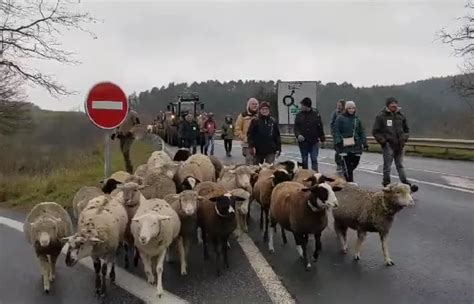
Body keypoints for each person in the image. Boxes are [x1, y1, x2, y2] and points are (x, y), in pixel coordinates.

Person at [372, 97, 414, 188]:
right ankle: (386, 183)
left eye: (395, 103)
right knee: (387, 167)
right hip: (388, 145)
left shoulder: (401, 116)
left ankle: (405, 183)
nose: (394, 105)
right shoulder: (381, 116)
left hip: (400, 145)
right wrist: (383, 141)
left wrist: (404, 138)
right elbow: (375, 131)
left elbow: (406, 130)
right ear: (388, 105)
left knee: (400, 165)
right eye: (392, 103)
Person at [333, 101, 368, 183]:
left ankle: (346, 173)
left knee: (355, 162)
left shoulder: (357, 119)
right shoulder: (340, 118)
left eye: (353, 108)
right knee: (347, 163)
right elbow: (336, 131)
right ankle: (350, 182)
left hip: (356, 145)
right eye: (349, 108)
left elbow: (361, 132)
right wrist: (338, 141)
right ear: (346, 109)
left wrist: (364, 143)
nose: (351, 110)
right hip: (345, 144)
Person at [293, 97, 325, 172]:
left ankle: (315, 174)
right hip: (303, 142)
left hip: (314, 141)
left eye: (302, 105)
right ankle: (305, 175)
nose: (301, 107)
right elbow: (296, 128)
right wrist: (298, 135)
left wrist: (322, 138)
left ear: (307, 106)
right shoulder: (299, 115)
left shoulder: (315, 114)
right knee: (304, 159)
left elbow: (319, 126)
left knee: (314, 158)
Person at [111, 109, 140, 174]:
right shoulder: (120, 113)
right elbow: (117, 125)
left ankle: (129, 169)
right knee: (124, 153)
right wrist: (114, 133)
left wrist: (131, 131)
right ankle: (128, 168)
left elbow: (137, 124)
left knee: (125, 151)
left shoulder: (133, 114)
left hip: (130, 136)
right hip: (122, 136)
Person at [235, 98, 259, 165]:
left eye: (256, 104)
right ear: (248, 105)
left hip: (258, 144)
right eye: (253, 104)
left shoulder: (259, 116)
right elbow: (237, 129)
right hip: (247, 144)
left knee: (257, 163)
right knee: (250, 163)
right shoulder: (242, 116)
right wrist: (244, 137)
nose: (255, 105)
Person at [330, 99, 346, 175]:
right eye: (337, 105)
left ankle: (344, 165)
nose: (338, 107)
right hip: (337, 136)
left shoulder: (346, 113)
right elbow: (332, 123)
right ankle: (338, 164)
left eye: (339, 105)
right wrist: (333, 133)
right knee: (338, 151)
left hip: (346, 136)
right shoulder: (335, 113)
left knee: (346, 151)